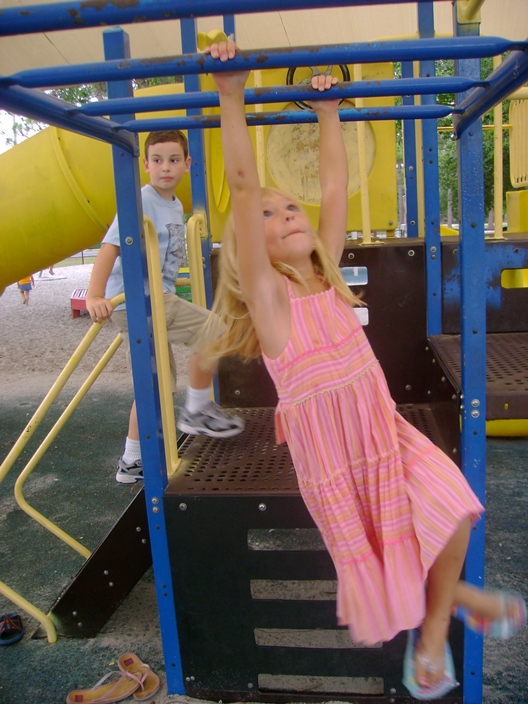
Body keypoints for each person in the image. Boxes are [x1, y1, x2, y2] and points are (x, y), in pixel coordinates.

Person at [202, 41, 527, 700]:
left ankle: (438, 624)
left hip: (382, 433)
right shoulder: (270, 299)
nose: (285, 214)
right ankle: (448, 615)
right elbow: (242, 185)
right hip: (335, 458)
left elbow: (331, 187)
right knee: (392, 555)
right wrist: (231, 95)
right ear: (247, 246)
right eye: (267, 216)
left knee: (454, 508)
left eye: (289, 208)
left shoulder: (328, 279)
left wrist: (330, 115)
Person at [86, 129, 244, 485]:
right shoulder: (140, 200)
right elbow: (110, 247)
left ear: (187, 164)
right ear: (145, 165)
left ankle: (132, 460)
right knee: (215, 330)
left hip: (154, 298)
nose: (165, 167)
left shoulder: (172, 204)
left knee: (156, 384)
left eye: (173, 160)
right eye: (157, 161)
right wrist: (94, 295)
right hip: (142, 299)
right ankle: (197, 408)